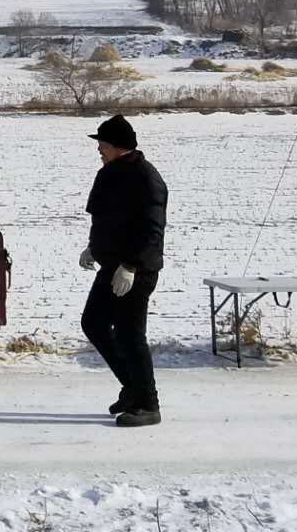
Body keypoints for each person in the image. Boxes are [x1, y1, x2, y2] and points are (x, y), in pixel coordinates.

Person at [79, 113, 168, 428]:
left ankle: (148, 404)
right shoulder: (108, 174)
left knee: (130, 335)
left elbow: (151, 231)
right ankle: (132, 387)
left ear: (118, 146)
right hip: (111, 265)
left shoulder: (146, 178)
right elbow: (103, 219)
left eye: (102, 144)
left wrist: (130, 266)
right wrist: (93, 247)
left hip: (136, 270)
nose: (98, 149)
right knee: (94, 323)